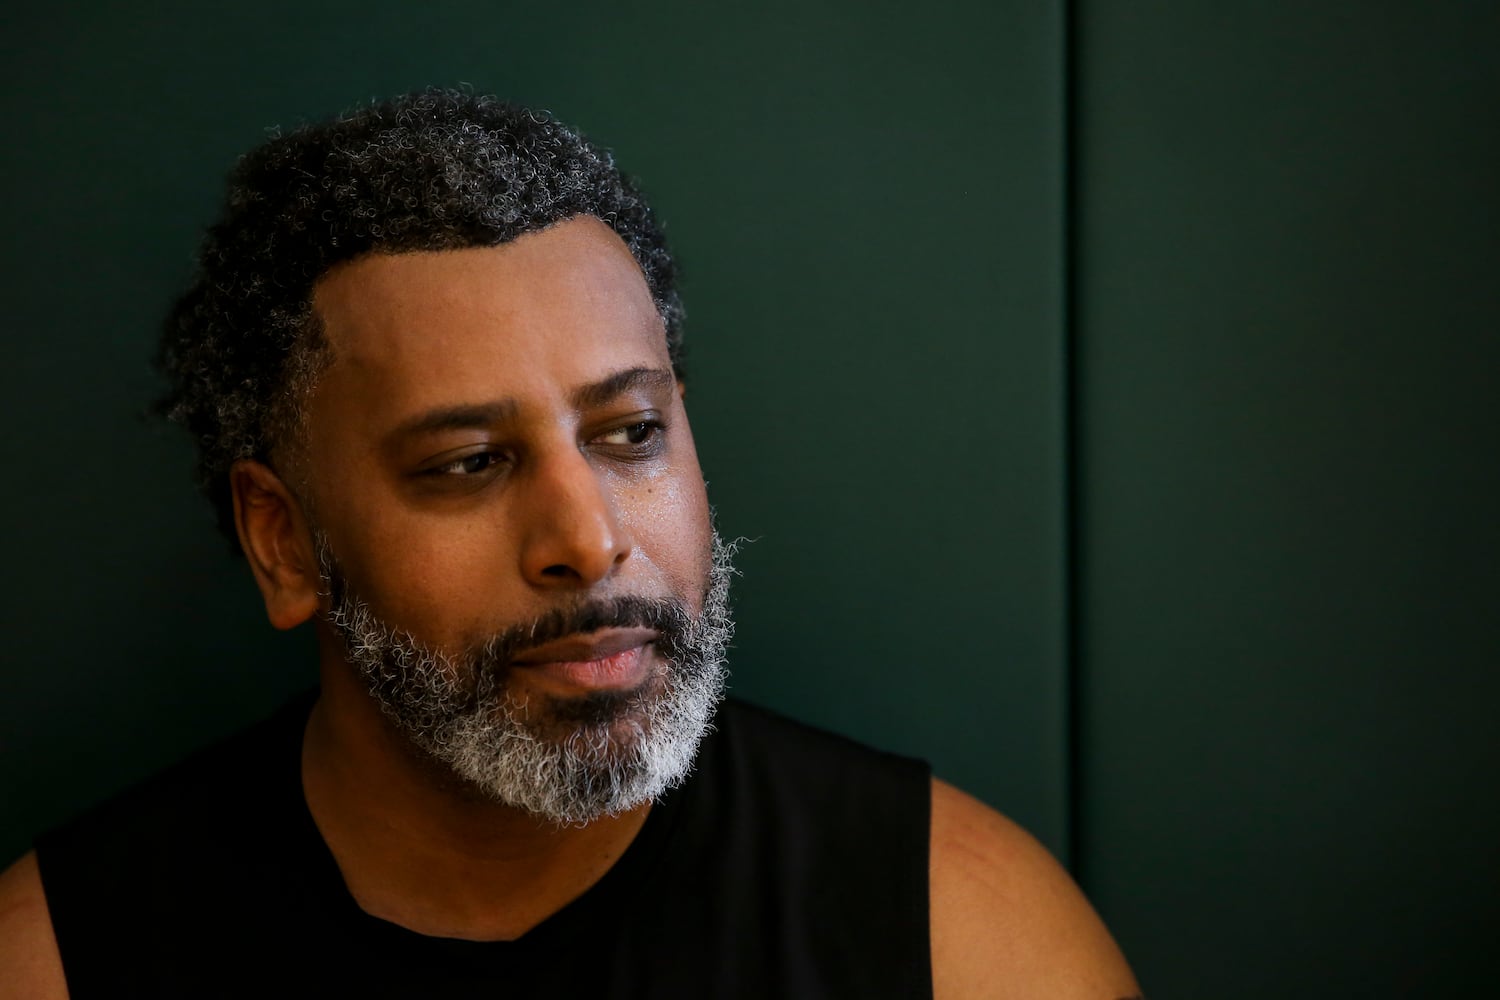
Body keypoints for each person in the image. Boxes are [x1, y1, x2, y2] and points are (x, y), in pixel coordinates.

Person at [0, 89, 1138, 998]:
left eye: (632, 433)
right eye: (467, 463)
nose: (589, 541)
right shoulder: (58, 961)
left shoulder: (961, 936)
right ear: (285, 541)